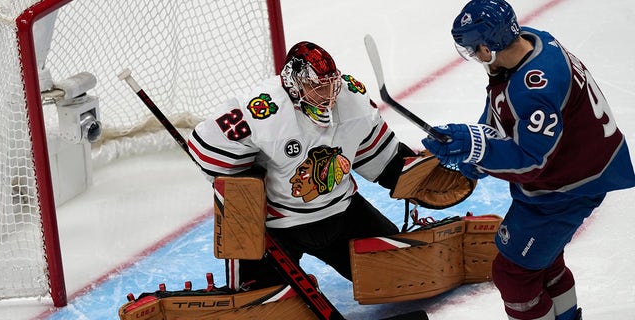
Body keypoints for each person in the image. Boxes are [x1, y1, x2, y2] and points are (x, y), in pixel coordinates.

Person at [421, 1, 635, 319]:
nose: (474, 57)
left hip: (567, 189)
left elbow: (532, 161)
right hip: (575, 173)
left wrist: (477, 148)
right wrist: (476, 148)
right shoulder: (532, 42)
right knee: (544, 264)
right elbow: (500, 104)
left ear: (486, 46)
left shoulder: (535, 89)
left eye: (472, 48)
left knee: (514, 275)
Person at [188, 41, 416, 291]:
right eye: (316, 87)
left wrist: (412, 175)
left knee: (403, 275)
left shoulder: (352, 97)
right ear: (293, 83)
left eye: (331, 85)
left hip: (343, 214)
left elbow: (378, 155)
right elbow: (207, 148)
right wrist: (251, 182)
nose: (327, 95)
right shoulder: (262, 109)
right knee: (265, 302)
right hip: (278, 229)